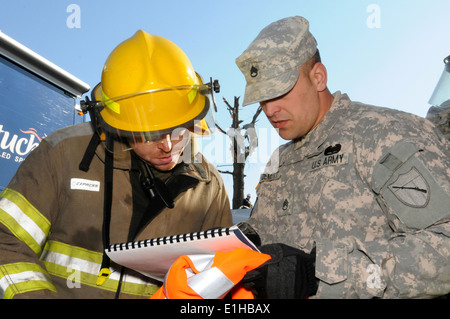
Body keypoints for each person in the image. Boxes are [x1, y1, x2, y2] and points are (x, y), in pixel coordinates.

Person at [0, 30, 232, 299]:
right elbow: (7, 242)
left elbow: (214, 279)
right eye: (150, 134)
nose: (168, 146)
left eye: (179, 129)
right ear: (116, 124)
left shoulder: (208, 185)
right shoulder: (63, 154)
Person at [235, 16, 450, 298]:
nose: (270, 110)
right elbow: (267, 237)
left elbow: (443, 248)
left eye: (279, 93)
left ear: (318, 77)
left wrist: (317, 273)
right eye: (263, 99)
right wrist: (241, 242)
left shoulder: (384, 134)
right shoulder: (281, 159)